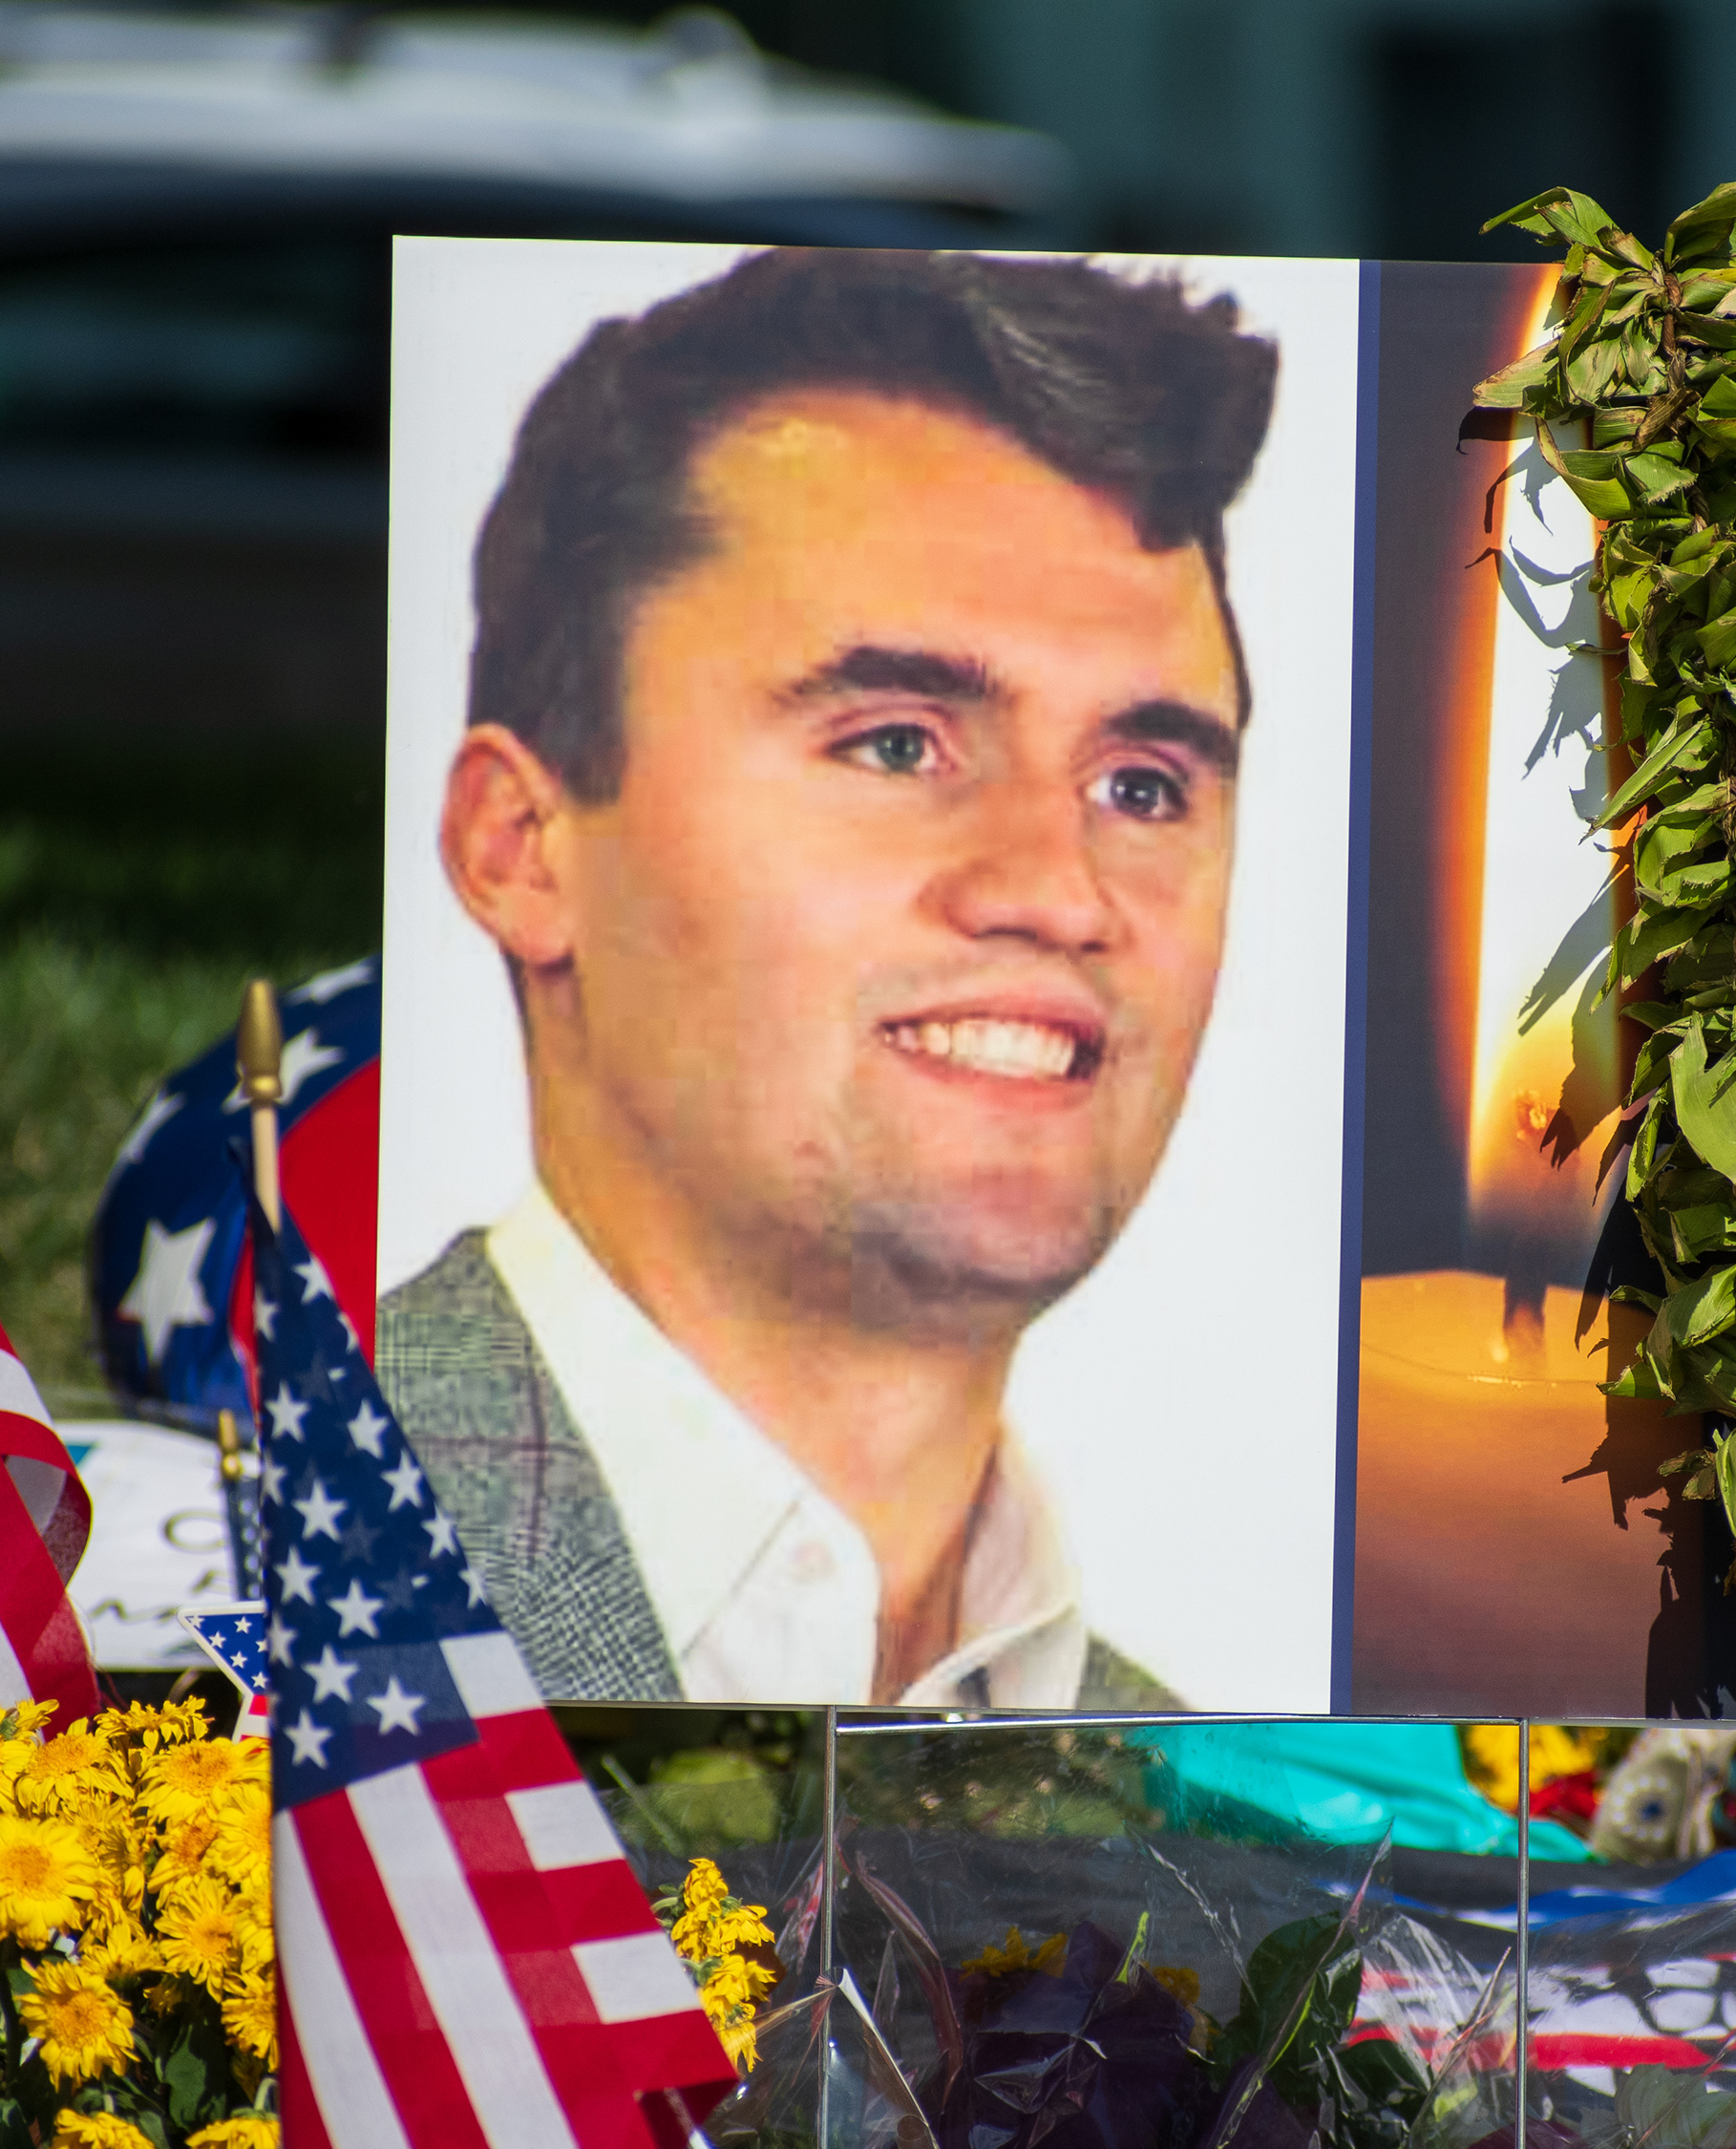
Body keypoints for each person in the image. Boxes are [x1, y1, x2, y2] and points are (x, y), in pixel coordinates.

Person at [380, 246, 1277, 1709]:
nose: (1058, 890)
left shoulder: (1195, 1789)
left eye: (1143, 784)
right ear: (522, 847)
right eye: (898, 744)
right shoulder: (284, 1569)